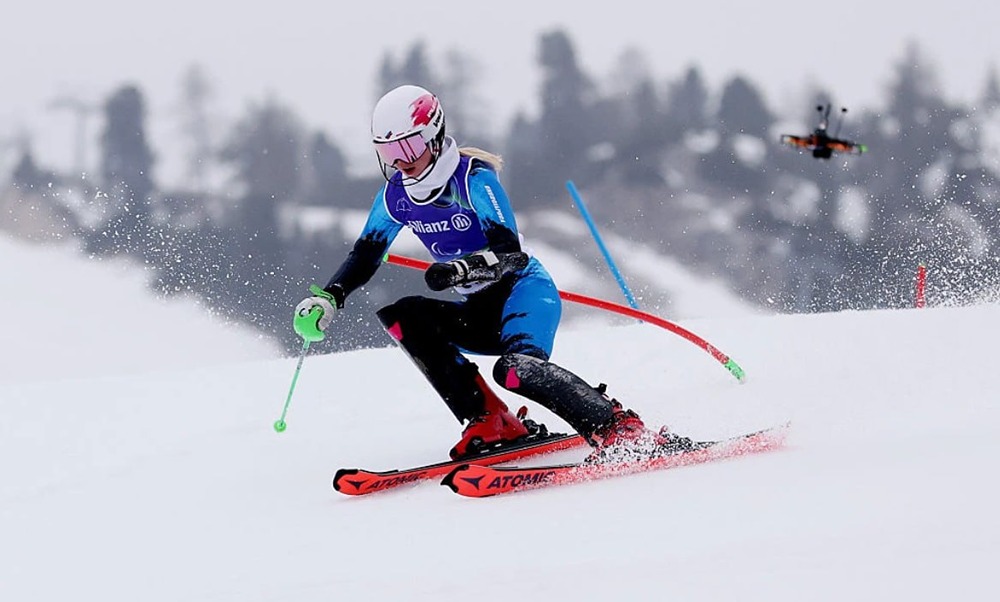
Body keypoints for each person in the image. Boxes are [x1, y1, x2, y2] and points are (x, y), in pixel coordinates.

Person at [293, 84, 686, 461]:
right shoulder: (395, 196)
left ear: (433, 136)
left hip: (524, 295)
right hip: (479, 310)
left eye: (407, 147)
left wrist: (463, 268)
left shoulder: (473, 179)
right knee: (403, 315)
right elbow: (366, 254)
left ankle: (617, 426)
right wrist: (330, 297)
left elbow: (510, 254)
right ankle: (491, 420)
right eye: (388, 151)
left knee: (514, 370)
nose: (399, 161)